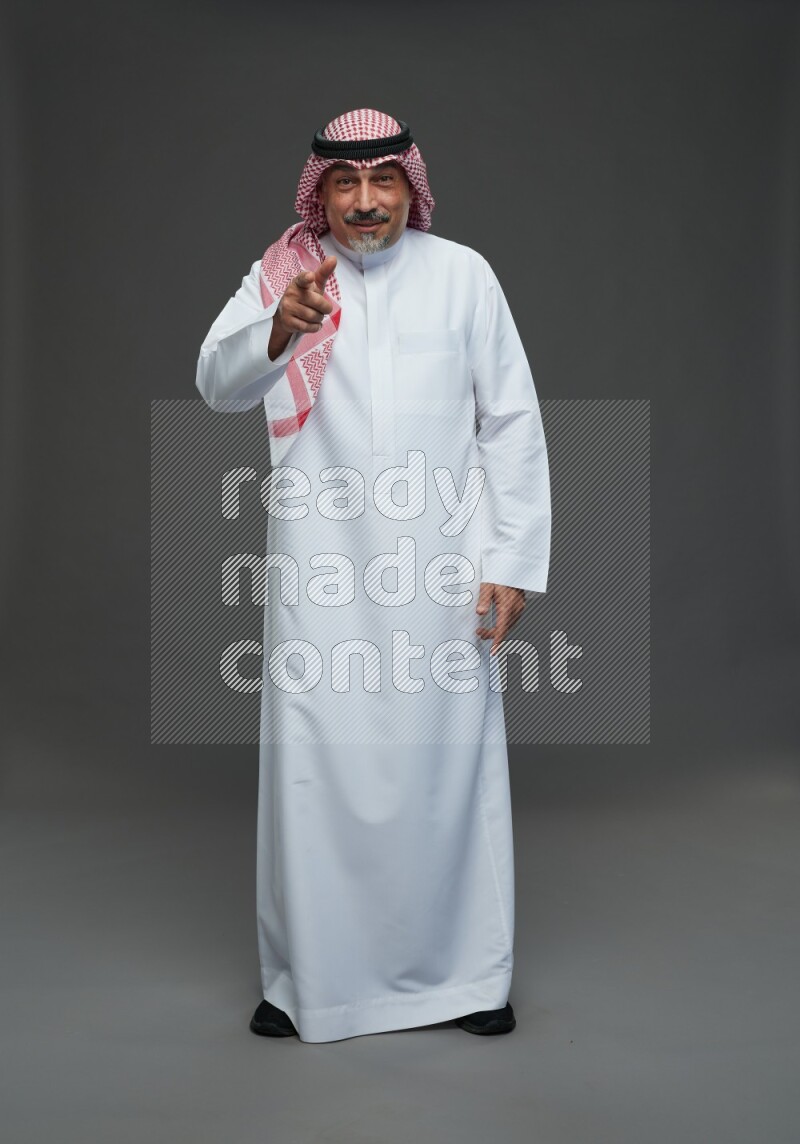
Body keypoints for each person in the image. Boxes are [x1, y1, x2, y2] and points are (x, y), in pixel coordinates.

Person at [195, 108, 551, 1043]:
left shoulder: (464, 276)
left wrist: (512, 561)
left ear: (409, 188)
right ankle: (307, 980)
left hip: (444, 568)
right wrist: (280, 327)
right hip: (320, 567)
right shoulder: (285, 275)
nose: (363, 203)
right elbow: (214, 381)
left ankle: (468, 977)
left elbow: (510, 421)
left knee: (451, 766)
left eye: (382, 182)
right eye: (345, 185)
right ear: (322, 190)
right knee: (314, 766)